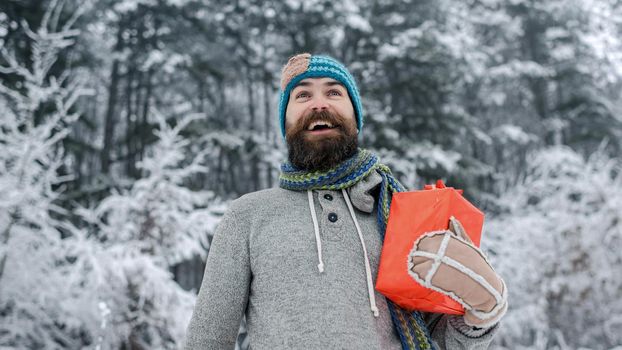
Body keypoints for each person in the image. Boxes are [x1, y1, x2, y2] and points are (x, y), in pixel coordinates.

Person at [184, 53, 507, 350]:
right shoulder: (248, 215)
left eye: (334, 92)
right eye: (303, 95)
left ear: (356, 117)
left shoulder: (400, 213)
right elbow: (207, 340)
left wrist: (480, 315)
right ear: (285, 122)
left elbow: (438, 341)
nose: (318, 104)